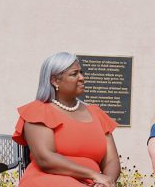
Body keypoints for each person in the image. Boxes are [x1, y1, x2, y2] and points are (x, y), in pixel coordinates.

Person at [12, 52, 120, 186]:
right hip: (49, 179)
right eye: (74, 74)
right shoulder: (39, 111)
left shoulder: (96, 113)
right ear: (55, 80)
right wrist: (93, 174)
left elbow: (111, 160)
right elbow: (45, 159)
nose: (81, 78)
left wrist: (107, 181)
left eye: (81, 72)